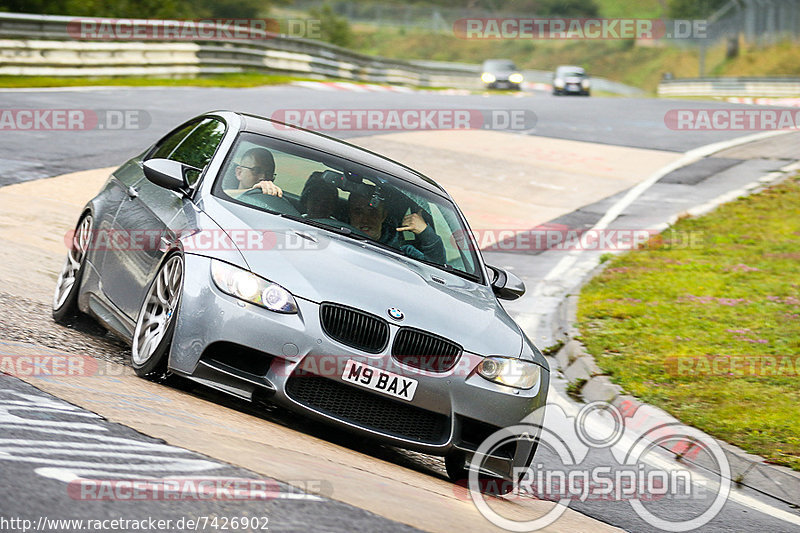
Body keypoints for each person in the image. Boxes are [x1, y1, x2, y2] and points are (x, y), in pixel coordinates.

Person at [348, 189, 445, 263]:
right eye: (358, 212)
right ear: (350, 214)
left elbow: (438, 269)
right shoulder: (335, 235)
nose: (365, 219)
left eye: (372, 212)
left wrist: (425, 232)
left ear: (383, 216)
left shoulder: (402, 252)